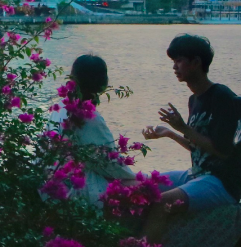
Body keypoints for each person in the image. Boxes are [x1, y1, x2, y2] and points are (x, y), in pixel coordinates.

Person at [141, 34, 241, 241]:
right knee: (141, 186)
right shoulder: (193, 100)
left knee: (162, 203)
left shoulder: (222, 97)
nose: (174, 67)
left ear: (196, 62)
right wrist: (171, 133)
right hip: (198, 173)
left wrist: (182, 127)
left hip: (222, 182)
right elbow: (198, 146)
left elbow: (222, 150)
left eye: (179, 60)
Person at [49, 54, 135, 205]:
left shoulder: (59, 108)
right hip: (79, 188)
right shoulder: (89, 117)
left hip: (56, 182)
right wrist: (132, 177)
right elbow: (109, 162)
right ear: (103, 83)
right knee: (146, 185)